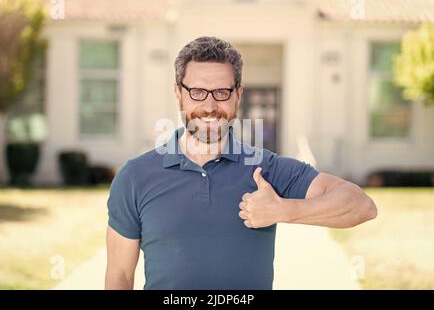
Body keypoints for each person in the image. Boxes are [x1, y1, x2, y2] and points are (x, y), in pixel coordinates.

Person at [105, 36, 377, 290]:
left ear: (238, 94)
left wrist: (282, 210)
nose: (210, 105)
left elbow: (361, 206)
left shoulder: (266, 169)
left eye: (222, 92)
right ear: (178, 94)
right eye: (198, 92)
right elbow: (120, 275)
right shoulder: (135, 177)